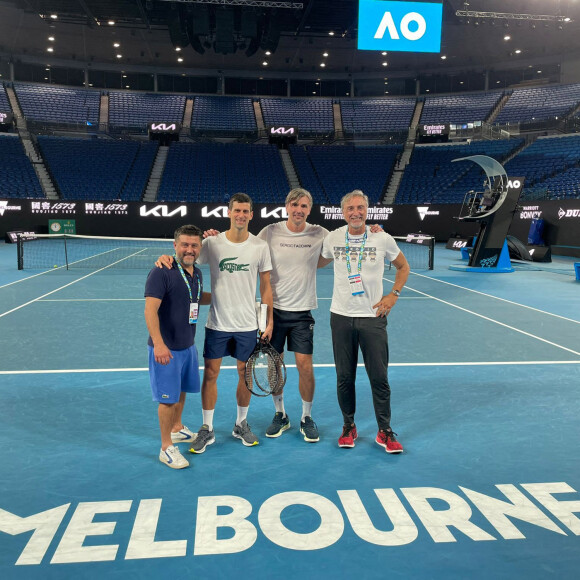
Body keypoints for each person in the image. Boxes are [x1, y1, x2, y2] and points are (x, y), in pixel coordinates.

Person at [320, 190, 410, 453]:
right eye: (350, 209)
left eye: (360, 207)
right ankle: (349, 426)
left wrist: (393, 295)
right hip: (341, 316)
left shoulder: (382, 238)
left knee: (379, 378)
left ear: (367, 210)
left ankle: (385, 431)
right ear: (343, 212)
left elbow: (404, 267)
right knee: (344, 377)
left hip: (373, 317)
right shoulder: (333, 238)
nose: (356, 212)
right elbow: (316, 262)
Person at [189, 193, 273, 452]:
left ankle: (240, 423)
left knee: (244, 375)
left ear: (251, 214)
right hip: (217, 324)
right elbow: (188, 260)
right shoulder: (213, 243)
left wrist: (267, 321)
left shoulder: (260, 246)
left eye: (245, 211)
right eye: (236, 210)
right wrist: (168, 259)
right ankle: (207, 428)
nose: (241, 215)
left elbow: (266, 287)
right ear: (229, 213)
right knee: (211, 375)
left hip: (248, 325)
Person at [256, 188, 329, 443]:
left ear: (310, 209)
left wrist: (371, 230)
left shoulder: (319, 233)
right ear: (287, 206)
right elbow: (248, 250)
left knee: (304, 367)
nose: (299, 209)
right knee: (274, 367)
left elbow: (341, 245)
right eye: (295, 204)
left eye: (304, 206)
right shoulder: (270, 231)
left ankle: (306, 417)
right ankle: (280, 414)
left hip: (302, 313)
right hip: (272, 312)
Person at [144, 224, 211, 469]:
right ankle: (165, 447)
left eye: (194, 245)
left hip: (187, 346)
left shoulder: (198, 273)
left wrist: (225, 297)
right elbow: (150, 310)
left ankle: (176, 428)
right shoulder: (162, 272)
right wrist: (159, 345)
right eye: (185, 244)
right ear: (175, 245)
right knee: (168, 399)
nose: (189, 249)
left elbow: (197, 297)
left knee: (181, 391)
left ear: (200, 248)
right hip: (167, 349)